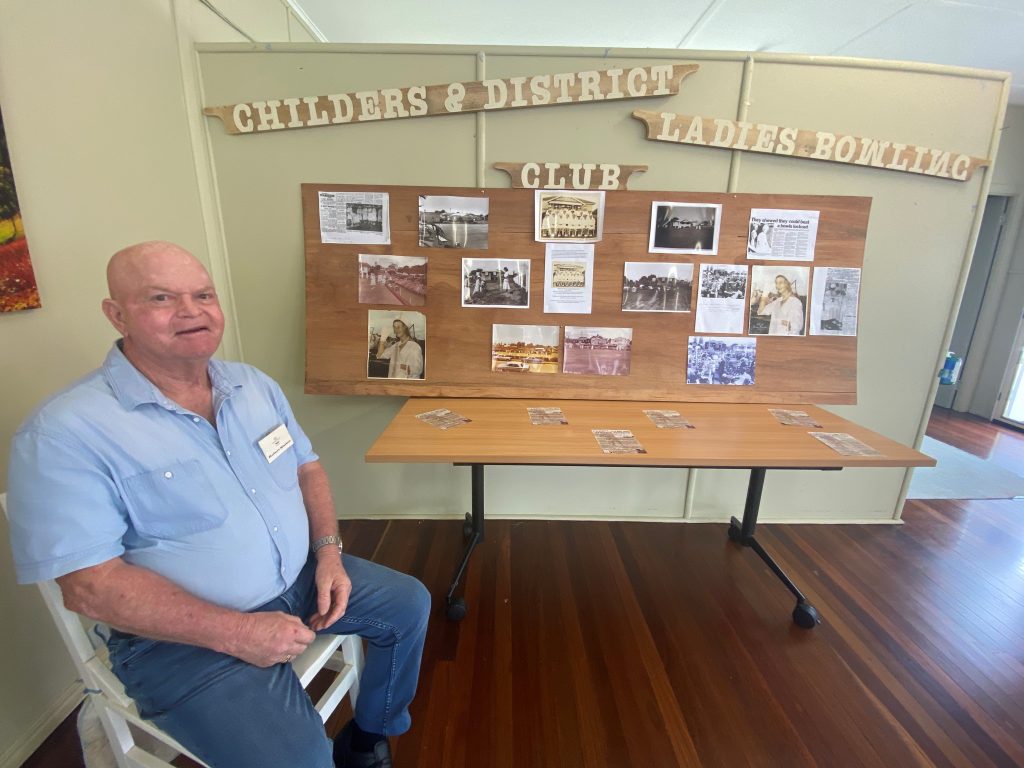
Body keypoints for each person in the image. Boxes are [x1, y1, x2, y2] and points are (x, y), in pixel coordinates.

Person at [6, 241, 430, 768]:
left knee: (407, 604)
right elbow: (90, 587)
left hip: (299, 578)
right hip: (178, 639)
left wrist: (327, 553)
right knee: (300, 760)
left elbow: (306, 468)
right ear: (116, 315)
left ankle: (367, 739)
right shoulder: (62, 433)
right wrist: (237, 631)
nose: (192, 311)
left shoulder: (252, 386)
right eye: (161, 298)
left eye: (203, 294)